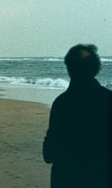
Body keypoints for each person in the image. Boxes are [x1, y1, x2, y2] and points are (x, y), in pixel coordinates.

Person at [43, 44, 112, 188]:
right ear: (95, 69)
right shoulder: (108, 99)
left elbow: (48, 154)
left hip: (66, 178)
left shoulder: (61, 103)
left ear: (69, 70)